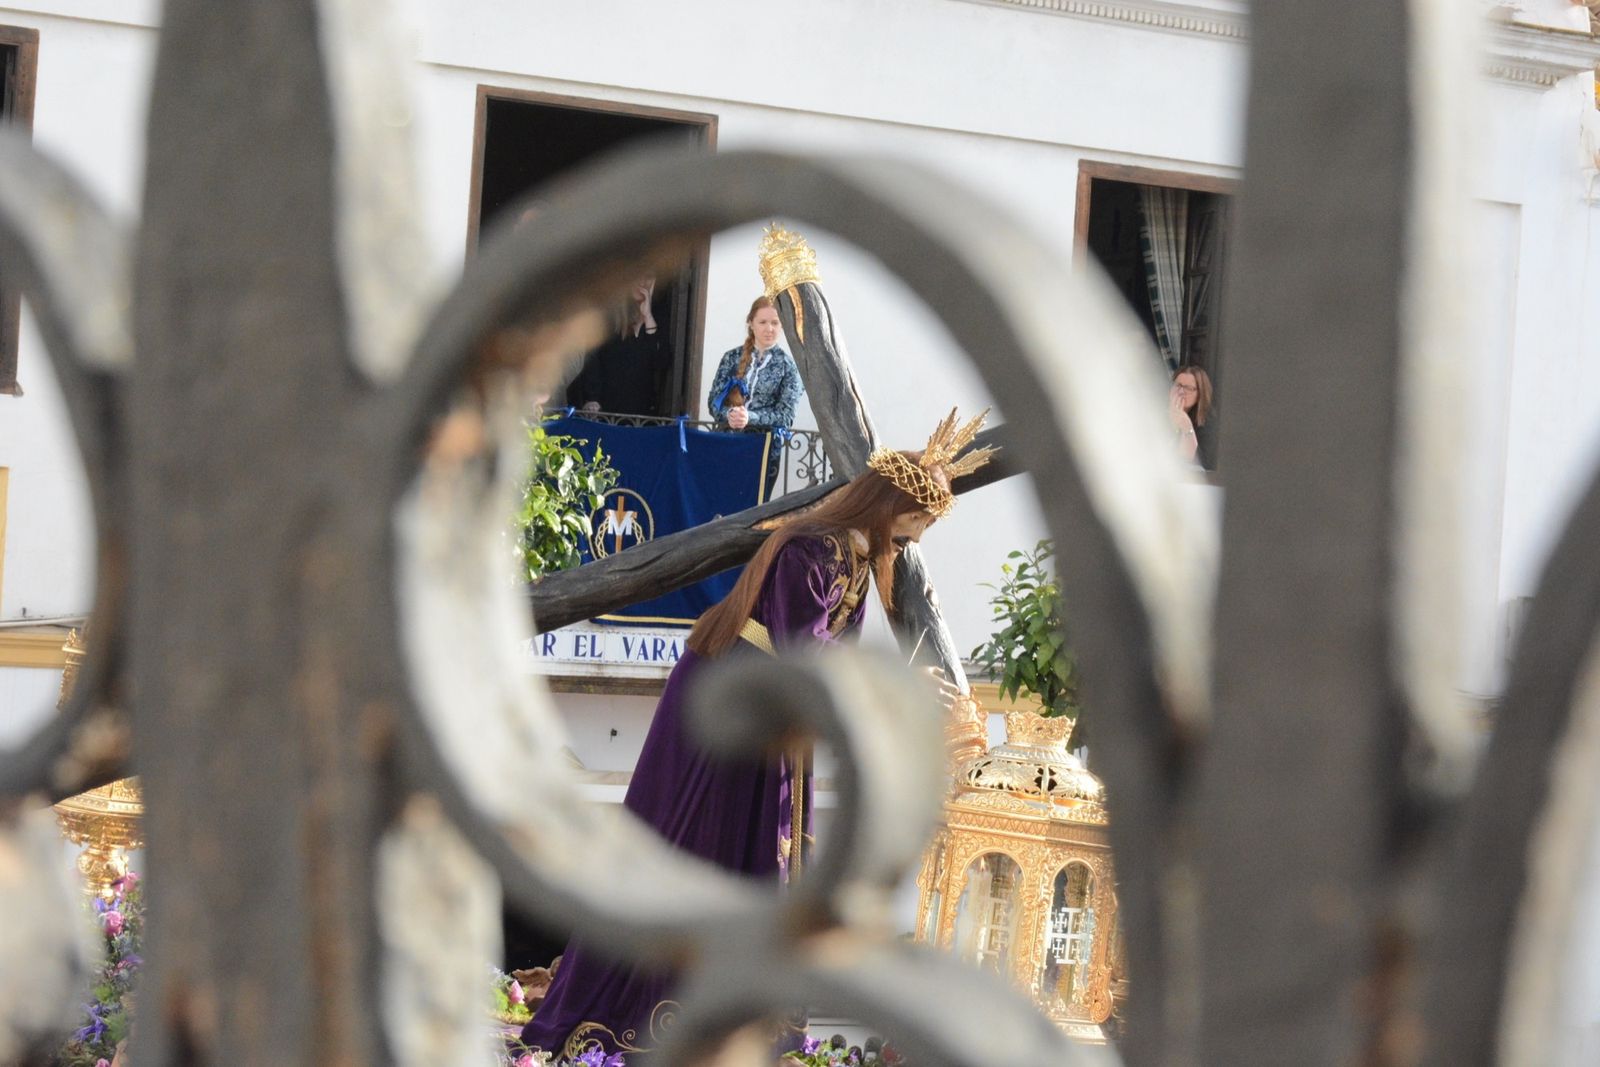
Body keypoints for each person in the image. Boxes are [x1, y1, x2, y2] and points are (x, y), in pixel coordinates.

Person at [519, 410, 997, 1062]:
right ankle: (633, 1017)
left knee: (756, 863)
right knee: (694, 846)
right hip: (726, 711)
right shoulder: (813, 546)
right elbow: (810, 652)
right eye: (919, 519)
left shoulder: (855, 557)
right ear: (892, 506)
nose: (919, 534)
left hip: (770, 721)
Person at [567, 274, 671, 416]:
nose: (642, 281)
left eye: (648, 277)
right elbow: (592, 355)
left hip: (642, 412)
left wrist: (647, 316)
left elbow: (661, 361)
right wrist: (592, 398)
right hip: (605, 410)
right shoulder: (609, 313)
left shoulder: (658, 314)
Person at [1168, 364, 1213, 467]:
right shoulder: (1157, 415)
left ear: (1199, 394)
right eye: (1178, 385)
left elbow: (1191, 462)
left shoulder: (1208, 424)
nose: (1181, 391)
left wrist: (1186, 426)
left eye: (1188, 388)